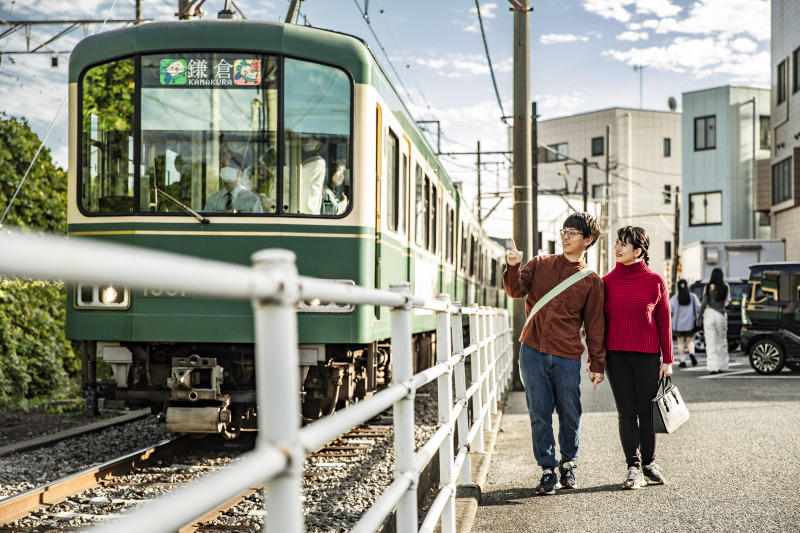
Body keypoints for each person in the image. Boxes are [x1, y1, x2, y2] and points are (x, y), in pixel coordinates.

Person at [503, 212, 606, 496]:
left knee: (570, 412)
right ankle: (547, 470)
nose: (565, 236)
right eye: (564, 230)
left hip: (567, 355)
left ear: (588, 239)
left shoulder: (591, 281)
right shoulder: (540, 264)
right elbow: (515, 291)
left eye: (573, 232)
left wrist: (597, 363)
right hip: (532, 349)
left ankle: (568, 463)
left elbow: (595, 326)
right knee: (539, 413)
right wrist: (513, 266)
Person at [602, 226, 673, 490]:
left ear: (638, 251)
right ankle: (633, 467)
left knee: (647, 412)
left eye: (623, 244)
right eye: (617, 243)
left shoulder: (655, 281)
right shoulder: (606, 282)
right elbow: (598, 324)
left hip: (647, 356)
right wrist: (596, 360)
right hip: (616, 357)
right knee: (627, 413)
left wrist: (667, 359)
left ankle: (649, 464)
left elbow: (664, 321)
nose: (617, 248)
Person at [699, 267, 730, 374]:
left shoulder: (707, 287)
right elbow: (727, 302)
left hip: (709, 313)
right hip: (721, 314)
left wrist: (699, 317)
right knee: (721, 341)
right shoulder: (725, 287)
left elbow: (704, 303)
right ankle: (723, 365)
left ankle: (713, 367)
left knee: (710, 342)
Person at [670, 279, 700, 368]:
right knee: (690, 340)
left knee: (680, 342)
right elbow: (698, 307)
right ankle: (691, 353)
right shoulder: (692, 296)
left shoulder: (675, 298)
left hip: (678, 324)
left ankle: (682, 361)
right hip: (690, 323)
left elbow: (669, 308)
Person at [299, 136, 326, 214]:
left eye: (315, 137)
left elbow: (309, 197)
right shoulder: (300, 159)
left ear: (320, 144)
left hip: (306, 214)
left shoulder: (317, 163)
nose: (309, 139)